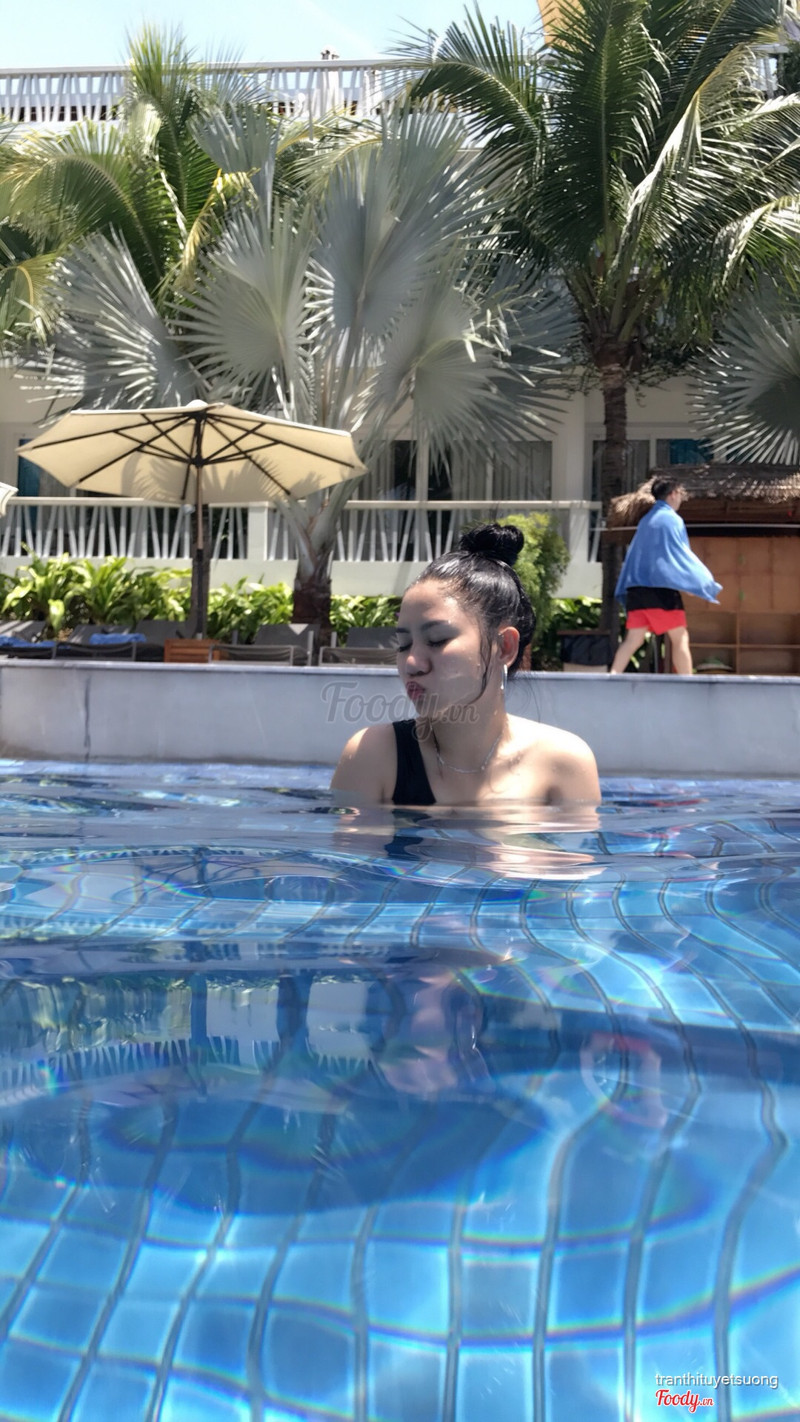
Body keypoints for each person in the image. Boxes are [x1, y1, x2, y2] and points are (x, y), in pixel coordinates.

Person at [331, 523, 600, 806]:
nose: (411, 663)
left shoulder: (563, 764)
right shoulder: (373, 756)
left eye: (436, 640)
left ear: (504, 647)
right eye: (404, 644)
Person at [610, 477, 722, 675]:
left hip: (636, 589)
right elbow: (680, 555)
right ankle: (688, 682)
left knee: (633, 639)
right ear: (673, 494)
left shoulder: (645, 521)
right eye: (680, 494)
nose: (681, 499)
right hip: (660, 590)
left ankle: (612, 676)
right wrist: (697, 582)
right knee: (680, 638)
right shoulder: (672, 519)